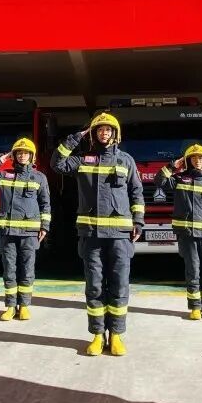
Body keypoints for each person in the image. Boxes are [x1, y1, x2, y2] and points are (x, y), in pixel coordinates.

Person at [52, 112, 144, 356]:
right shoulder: (84, 159)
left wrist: (138, 222)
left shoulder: (126, 161)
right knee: (94, 286)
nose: (104, 133)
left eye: (108, 129)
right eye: (100, 129)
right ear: (93, 134)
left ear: (115, 134)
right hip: (91, 235)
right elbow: (57, 163)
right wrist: (75, 138)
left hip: (120, 235)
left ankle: (116, 335)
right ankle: (97, 335)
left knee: (119, 285)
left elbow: (136, 193)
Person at [0, 137, 51, 321]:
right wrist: (2, 159)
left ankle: (24, 306)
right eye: (18, 153)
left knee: (27, 270)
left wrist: (44, 227)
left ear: (32, 156)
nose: (22, 156)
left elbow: (45, 204)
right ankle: (11, 306)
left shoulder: (39, 177)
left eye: (26, 153)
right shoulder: (3, 175)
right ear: (14, 155)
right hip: (8, 233)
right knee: (9, 270)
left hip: (29, 234)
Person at [155, 144, 202, 320]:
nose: (197, 161)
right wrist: (172, 166)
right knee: (193, 271)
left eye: (201, 158)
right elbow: (159, 181)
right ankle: (195, 307)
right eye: (193, 158)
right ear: (188, 161)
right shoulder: (180, 178)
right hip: (188, 234)